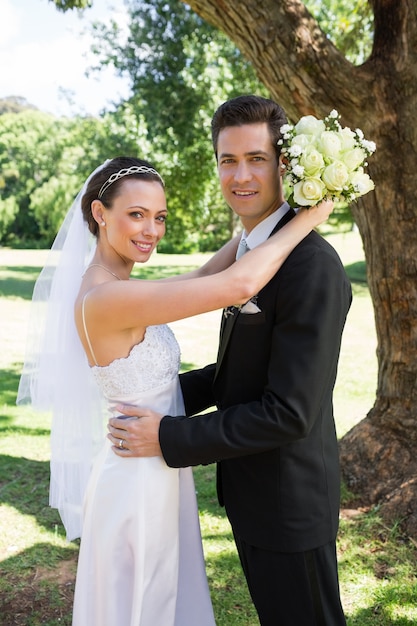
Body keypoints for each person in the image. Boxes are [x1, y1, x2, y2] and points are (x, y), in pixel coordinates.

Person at [17, 154, 334, 626]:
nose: (151, 229)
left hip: (157, 465)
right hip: (136, 481)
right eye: (137, 214)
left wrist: (264, 221)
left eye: (160, 216)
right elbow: (237, 284)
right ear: (100, 214)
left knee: (168, 596)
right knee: (147, 601)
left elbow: (203, 277)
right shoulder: (105, 298)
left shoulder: (118, 285)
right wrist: (310, 214)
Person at [107, 96, 352, 626]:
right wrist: (156, 394)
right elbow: (236, 375)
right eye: (227, 160)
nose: (240, 176)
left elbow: (288, 412)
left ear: (285, 164)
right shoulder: (250, 251)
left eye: (256, 159)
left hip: (289, 502)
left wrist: (169, 436)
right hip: (252, 495)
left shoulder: (312, 267)